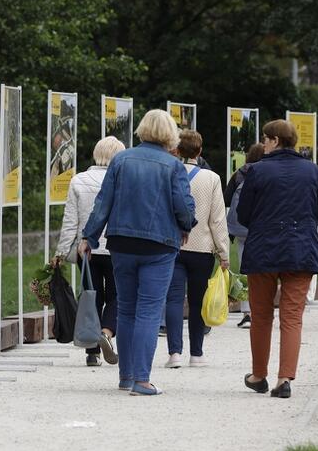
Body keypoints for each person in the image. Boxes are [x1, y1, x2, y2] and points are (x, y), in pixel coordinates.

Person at [80, 110, 196, 396]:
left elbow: (103, 202)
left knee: (127, 308)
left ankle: (126, 376)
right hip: (159, 244)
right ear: (170, 134)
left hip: (121, 243)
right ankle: (142, 380)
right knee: (148, 309)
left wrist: (89, 236)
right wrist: (186, 225)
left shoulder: (121, 160)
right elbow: (183, 206)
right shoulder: (173, 166)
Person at [236, 120, 318, 399]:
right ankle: (284, 377)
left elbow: (243, 215)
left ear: (275, 140)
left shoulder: (257, 171)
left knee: (261, 315)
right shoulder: (312, 171)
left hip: (263, 248)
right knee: (292, 317)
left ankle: (258, 375)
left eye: (265, 139)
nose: (263, 144)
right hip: (301, 248)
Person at [54, 136, 126, 366]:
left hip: (87, 250)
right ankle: (106, 332)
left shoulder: (79, 180)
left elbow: (70, 221)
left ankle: (92, 351)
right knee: (116, 296)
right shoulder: (123, 180)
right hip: (116, 248)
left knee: (90, 295)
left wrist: (61, 252)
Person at [164, 130, 230, 368]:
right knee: (197, 301)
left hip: (173, 246)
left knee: (173, 299)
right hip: (202, 249)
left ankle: (174, 353)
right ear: (200, 151)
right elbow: (217, 219)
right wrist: (223, 253)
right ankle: (197, 353)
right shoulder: (212, 179)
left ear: (177, 150)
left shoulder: (168, 173)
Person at [224, 142, 266, 328]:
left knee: (244, 270)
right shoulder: (268, 173)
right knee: (263, 271)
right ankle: (260, 311)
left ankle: (247, 312)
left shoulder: (239, 174)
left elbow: (226, 200)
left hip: (242, 230)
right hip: (262, 229)